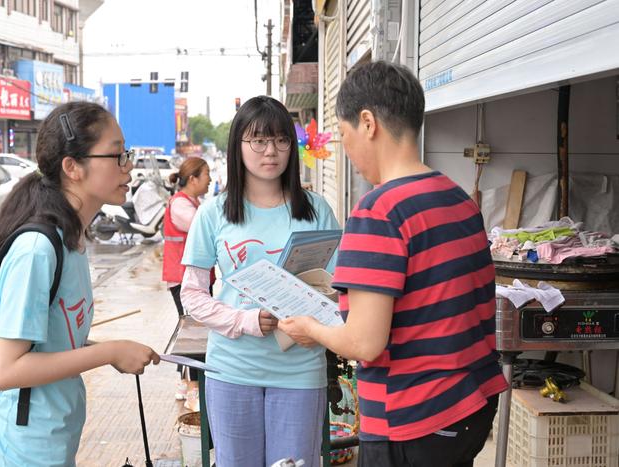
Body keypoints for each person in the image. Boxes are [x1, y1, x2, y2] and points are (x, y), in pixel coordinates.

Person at [279, 61, 508, 467]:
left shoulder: (379, 210)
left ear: (367, 123)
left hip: (413, 419)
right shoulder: (457, 197)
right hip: (470, 407)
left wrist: (310, 328)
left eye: (344, 135)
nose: (346, 152)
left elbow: (365, 344)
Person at [0, 101, 160, 466]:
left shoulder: (72, 240)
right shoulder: (37, 251)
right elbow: (7, 370)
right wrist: (109, 352)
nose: (129, 165)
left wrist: (114, 351)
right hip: (19, 453)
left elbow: (54, 340)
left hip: (53, 444)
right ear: (72, 167)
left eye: (128, 153)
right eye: (117, 155)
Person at [180, 96, 340, 467]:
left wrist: (318, 319)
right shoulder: (213, 213)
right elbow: (192, 294)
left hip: (300, 368)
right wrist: (245, 321)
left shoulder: (317, 210)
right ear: (238, 145)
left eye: (281, 140)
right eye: (258, 141)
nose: (271, 151)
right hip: (232, 368)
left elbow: (339, 288)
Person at [162, 156, 212, 409]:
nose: (210, 180)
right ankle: (192, 386)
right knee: (193, 332)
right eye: (206, 175)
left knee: (189, 328)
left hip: (186, 275)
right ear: (192, 179)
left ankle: (184, 381)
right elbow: (204, 228)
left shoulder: (191, 202)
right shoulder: (182, 206)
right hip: (184, 277)